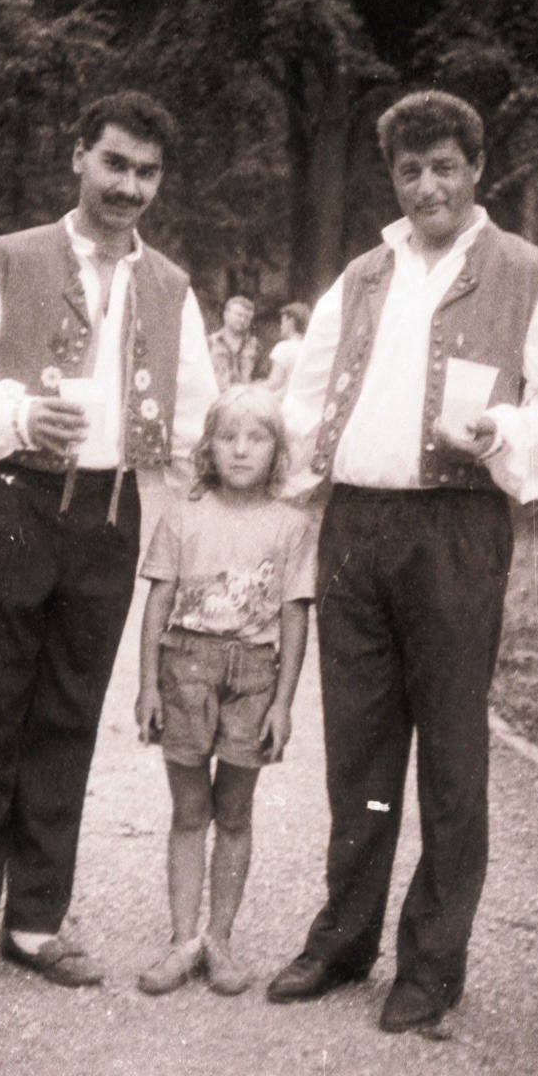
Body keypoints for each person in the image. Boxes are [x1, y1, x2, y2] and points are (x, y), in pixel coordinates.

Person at [266, 89, 538, 1033]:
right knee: (359, 752)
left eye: (445, 166)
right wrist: (299, 479)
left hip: (456, 532)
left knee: (451, 755)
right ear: (394, 178)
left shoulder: (527, 274)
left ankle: (432, 963)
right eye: (411, 170)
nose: (428, 186)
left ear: (476, 170)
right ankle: (343, 940)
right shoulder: (363, 275)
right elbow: (305, 391)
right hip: (357, 529)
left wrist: (505, 430)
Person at [0, 91, 219, 998]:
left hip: (113, 514)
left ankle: (38, 921)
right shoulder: (12, 261)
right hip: (18, 497)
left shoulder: (170, 287)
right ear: (78, 157)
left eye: (147, 172)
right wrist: (14, 413)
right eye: (115, 163)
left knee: (67, 710)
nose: (129, 185)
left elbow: (200, 409)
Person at [135, 385, 314, 997]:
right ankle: (183, 940)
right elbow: (157, 600)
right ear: (208, 446)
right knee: (189, 812)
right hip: (184, 671)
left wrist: (284, 703)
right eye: (229, 437)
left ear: (277, 450)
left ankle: (221, 940)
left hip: (255, 680)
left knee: (234, 813)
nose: (241, 450)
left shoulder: (292, 525)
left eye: (257, 438)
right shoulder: (183, 515)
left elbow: (294, 616)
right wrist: (146, 688)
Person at [208, 296, 259, 390]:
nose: (242, 320)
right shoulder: (210, 342)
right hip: (215, 398)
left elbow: (263, 377)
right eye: (239, 315)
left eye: (247, 317)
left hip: (245, 400)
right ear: (225, 314)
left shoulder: (255, 345)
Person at [264, 302, 311, 398]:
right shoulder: (309, 347)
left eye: (282, 322)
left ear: (291, 321)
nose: (281, 326)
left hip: (284, 402)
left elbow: (274, 383)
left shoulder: (283, 347)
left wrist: (248, 388)